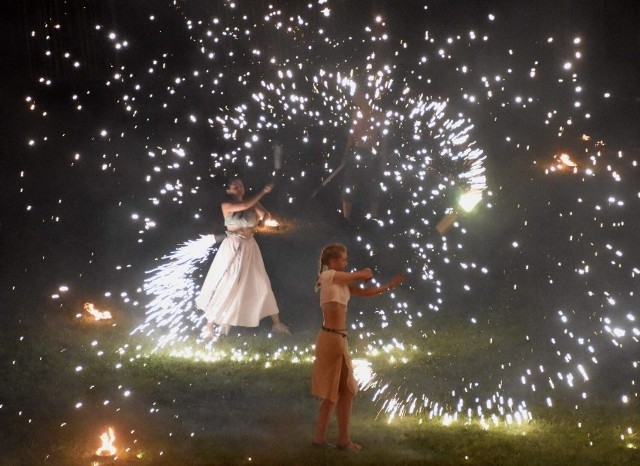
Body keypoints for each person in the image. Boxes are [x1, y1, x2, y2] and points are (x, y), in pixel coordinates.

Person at [311, 243, 404, 450]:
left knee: (341, 391)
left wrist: (389, 286)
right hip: (332, 339)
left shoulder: (341, 281)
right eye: (343, 259)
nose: (346, 262)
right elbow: (355, 276)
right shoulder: (328, 276)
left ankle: (326, 439)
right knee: (340, 391)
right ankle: (338, 440)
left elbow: (365, 292)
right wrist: (364, 272)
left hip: (337, 339)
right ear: (332, 261)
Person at [195, 178, 290, 337]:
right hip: (233, 246)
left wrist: (262, 222)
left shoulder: (252, 203)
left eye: (240, 184)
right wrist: (263, 192)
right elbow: (245, 206)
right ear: (229, 191)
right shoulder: (227, 205)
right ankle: (209, 326)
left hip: (250, 246)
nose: (238, 186)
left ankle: (277, 324)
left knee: (261, 281)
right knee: (227, 281)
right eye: (234, 185)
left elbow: (265, 214)